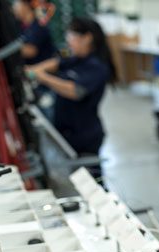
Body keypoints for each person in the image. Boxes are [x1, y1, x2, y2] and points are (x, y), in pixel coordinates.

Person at [26, 17, 116, 156]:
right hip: (66, 134)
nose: (68, 40)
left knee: (87, 177)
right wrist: (33, 70)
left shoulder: (97, 67)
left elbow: (75, 90)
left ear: (87, 38)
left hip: (84, 137)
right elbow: (57, 62)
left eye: (72, 36)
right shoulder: (75, 58)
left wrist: (41, 77)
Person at [12, 0, 56, 65]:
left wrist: (7, 49)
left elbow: (31, 51)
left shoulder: (39, 27)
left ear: (26, 5)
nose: (14, 8)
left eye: (16, 5)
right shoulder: (19, 25)